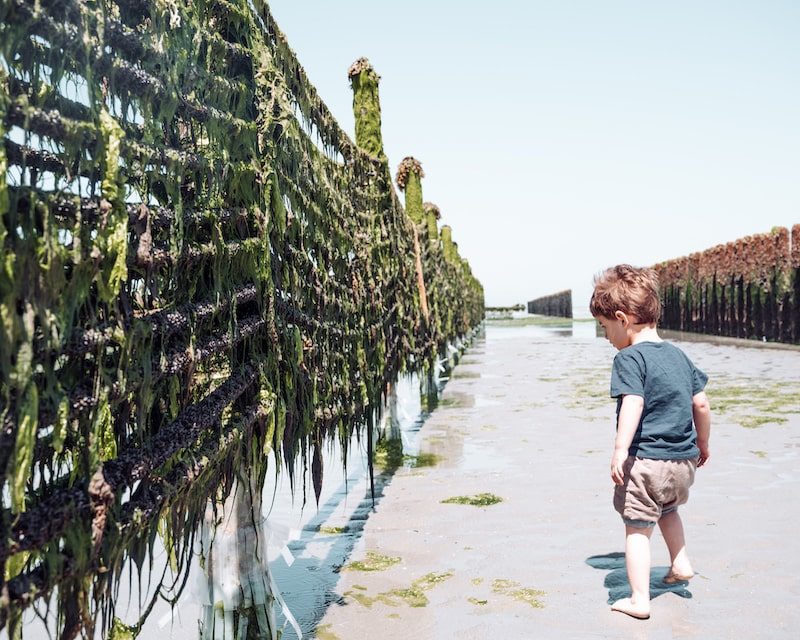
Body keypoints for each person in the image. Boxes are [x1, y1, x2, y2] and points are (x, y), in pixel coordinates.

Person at [590, 264, 712, 620]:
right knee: (668, 510)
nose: (606, 336)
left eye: (605, 327)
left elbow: (633, 401)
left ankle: (639, 599)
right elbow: (701, 403)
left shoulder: (629, 357)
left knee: (637, 525)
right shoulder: (678, 354)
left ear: (622, 319)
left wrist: (619, 449)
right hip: (684, 462)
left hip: (647, 461)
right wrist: (702, 443)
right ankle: (681, 562)